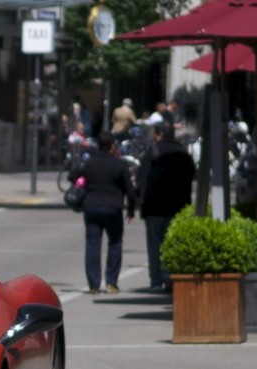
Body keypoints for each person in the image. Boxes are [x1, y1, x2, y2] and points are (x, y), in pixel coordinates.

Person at [70, 131, 137, 294]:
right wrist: (131, 209)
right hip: (113, 207)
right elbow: (130, 189)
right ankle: (111, 283)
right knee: (115, 243)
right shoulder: (119, 164)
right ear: (112, 145)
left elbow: (72, 176)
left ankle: (94, 285)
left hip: (91, 206)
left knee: (93, 245)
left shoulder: (90, 163)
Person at [139, 122, 196, 292]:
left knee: (155, 245)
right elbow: (193, 175)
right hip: (178, 207)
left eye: (153, 134)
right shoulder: (184, 153)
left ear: (159, 135)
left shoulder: (153, 152)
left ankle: (156, 281)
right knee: (174, 244)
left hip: (155, 207)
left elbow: (141, 178)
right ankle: (171, 278)